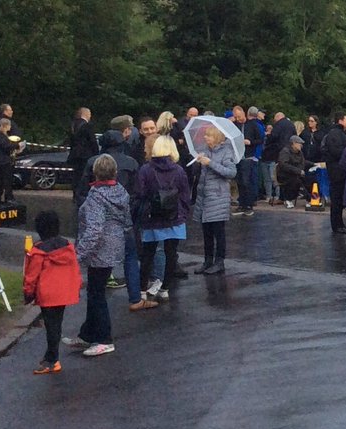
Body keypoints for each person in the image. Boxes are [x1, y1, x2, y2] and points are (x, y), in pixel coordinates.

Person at [66, 155, 131, 356]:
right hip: (114, 245)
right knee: (95, 291)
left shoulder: (95, 197)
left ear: (95, 173)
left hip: (99, 250)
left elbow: (94, 230)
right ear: (115, 172)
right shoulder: (121, 191)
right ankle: (87, 334)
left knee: (96, 295)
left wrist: (78, 255)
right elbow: (127, 221)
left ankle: (104, 338)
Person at [78, 118, 141, 299]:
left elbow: (82, 190)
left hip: (98, 215)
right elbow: (137, 192)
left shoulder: (93, 162)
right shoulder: (131, 163)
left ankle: (104, 282)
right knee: (130, 256)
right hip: (124, 216)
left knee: (99, 262)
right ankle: (135, 296)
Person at [23, 210, 81, 374]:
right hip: (64, 293)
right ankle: (51, 357)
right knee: (56, 325)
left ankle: (52, 360)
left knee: (51, 328)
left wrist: (28, 294)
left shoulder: (38, 251)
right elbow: (74, 271)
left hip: (48, 295)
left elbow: (31, 277)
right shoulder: (67, 247)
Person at [136, 136, 191, 302]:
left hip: (152, 218)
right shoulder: (179, 170)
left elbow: (140, 193)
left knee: (148, 254)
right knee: (171, 253)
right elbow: (185, 195)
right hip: (174, 217)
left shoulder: (146, 169)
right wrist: (183, 213)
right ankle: (165, 289)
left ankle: (142, 290)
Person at [192, 126, 237, 275]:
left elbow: (231, 172)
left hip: (217, 197)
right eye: (205, 135)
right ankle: (207, 260)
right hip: (204, 196)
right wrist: (199, 163)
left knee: (218, 231)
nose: (205, 138)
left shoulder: (226, 152)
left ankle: (219, 261)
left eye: (209, 135)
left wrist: (210, 163)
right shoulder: (205, 150)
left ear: (216, 138)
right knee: (207, 231)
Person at [323, 113, 346, 234]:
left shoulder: (340, 133)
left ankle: (339, 223)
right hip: (337, 171)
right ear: (340, 121)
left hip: (339, 170)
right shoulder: (335, 134)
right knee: (336, 199)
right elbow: (336, 151)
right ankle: (337, 224)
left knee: (339, 199)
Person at [231, 106, 263, 216]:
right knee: (239, 181)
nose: (238, 119)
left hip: (248, 156)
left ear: (244, 114)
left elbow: (261, 139)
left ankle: (249, 205)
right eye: (235, 117)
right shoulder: (235, 125)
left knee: (246, 181)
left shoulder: (253, 124)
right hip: (238, 157)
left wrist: (251, 142)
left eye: (239, 116)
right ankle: (242, 204)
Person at [67, 107, 99, 206]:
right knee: (84, 176)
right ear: (85, 114)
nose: (90, 116)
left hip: (74, 155)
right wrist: (96, 153)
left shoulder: (73, 125)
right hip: (86, 156)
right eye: (89, 114)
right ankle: (83, 196)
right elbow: (92, 141)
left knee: (76, 176)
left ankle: (75, 195)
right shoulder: (87, 126)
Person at [262, 111, 295, 205]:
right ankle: (288, 197)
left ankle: (281, 196)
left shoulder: (278, 125)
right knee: (288, 175)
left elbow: (274, 136)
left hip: (279, 151)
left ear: (277, 118)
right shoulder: (291, 125)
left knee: (279, 175)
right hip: (290, 151)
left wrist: (268, 136)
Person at [0, 117, 20, 206]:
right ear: (4, 126)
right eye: (9, 125)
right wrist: (16, 145)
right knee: (1, 182)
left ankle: (7, 198)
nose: (10, 127)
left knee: (7, 181)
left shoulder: (4, 136)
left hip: (5, 161)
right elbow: (6, 146)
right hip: (1, 163)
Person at [277, 135, 308, 209]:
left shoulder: (300, 152)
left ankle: (310, 198)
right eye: (299, 143)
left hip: (295, 173)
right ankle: (288, 199)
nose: (301, 145)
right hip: (284, 175)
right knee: (295, 181)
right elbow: (283, 165)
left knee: (310, 178)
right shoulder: (285, 151)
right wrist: (298, 171)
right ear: (294, 143)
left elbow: (303, 162)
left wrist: (313, 164)